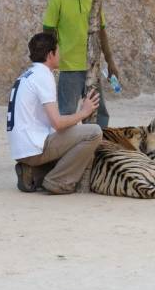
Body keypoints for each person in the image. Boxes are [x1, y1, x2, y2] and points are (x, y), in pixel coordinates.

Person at [7, 33, 102, 194]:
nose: (60, 54)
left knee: (75, 129)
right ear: (50, 54)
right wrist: (84, 112)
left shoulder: (27, 75)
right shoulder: (43, 76)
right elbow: (57, 124)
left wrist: (76, 120)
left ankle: (34, 174)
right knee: (94, 132)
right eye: (58, 51)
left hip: (22, 149)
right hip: (34, 148)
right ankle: (58, 182)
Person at [43, 0, 118, 128]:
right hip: (69, 69)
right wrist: (48, 66)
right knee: (67, 114)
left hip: (93, 66)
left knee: (100, 113)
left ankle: (98, 150)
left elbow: (102, 33)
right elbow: (47, 34)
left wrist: (110, 62)